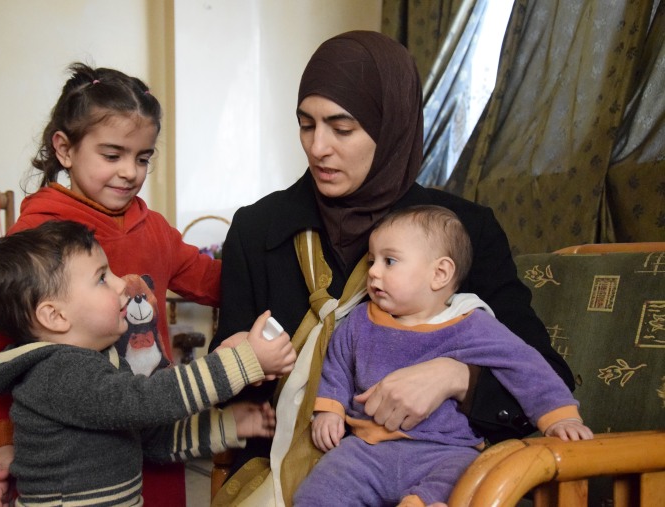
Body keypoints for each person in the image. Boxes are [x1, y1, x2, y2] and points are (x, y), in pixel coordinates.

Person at [208, 30, 575, 506]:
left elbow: (547, 375)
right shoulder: (258, 230)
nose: (318, 147)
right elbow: (229, 394)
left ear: (393, 125)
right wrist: (241, 365)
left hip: (440, 473)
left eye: (342, 129)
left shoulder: (461, 232)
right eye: (306, 124)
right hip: (297, 476)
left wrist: (456, 378)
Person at [0, 62, 221, 507]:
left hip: (154, 432)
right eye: (112, 155)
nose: (130, 171)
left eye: (143, 157)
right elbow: (1, 345)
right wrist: (3, 440)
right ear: (65, 149)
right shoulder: (40, 233)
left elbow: (209, 281)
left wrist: (264, 252)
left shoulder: (155, 229)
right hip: (74, 455)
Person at [0, 220, 297, 506]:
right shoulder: (56, 373)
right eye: (102, 278)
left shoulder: (100, 363)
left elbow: (152, 440)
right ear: (55, 316)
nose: (121, 284)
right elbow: (148, 401)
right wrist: (241, 363)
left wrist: (227, 426)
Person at [292, 206, 592, 507]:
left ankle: (421, 502)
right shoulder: (361, 320)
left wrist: (560, 416)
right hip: (367, 449)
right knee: (320, 489)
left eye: (389, 261)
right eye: (373, 261)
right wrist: (329, 410)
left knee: (467, 477)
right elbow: (337, 365)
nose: (372, 272)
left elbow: (525, 366)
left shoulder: (472, 324)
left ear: (440, 273)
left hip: (446, 450)